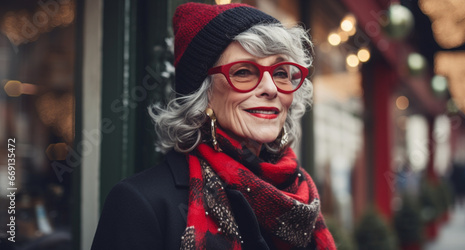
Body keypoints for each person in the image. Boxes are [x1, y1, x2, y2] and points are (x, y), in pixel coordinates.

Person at [91, 2, 336, 250]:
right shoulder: (140, 202)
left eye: (281, 72)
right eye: (244, 72)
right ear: (203, 92)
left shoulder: (299, 192)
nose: (271, 88)